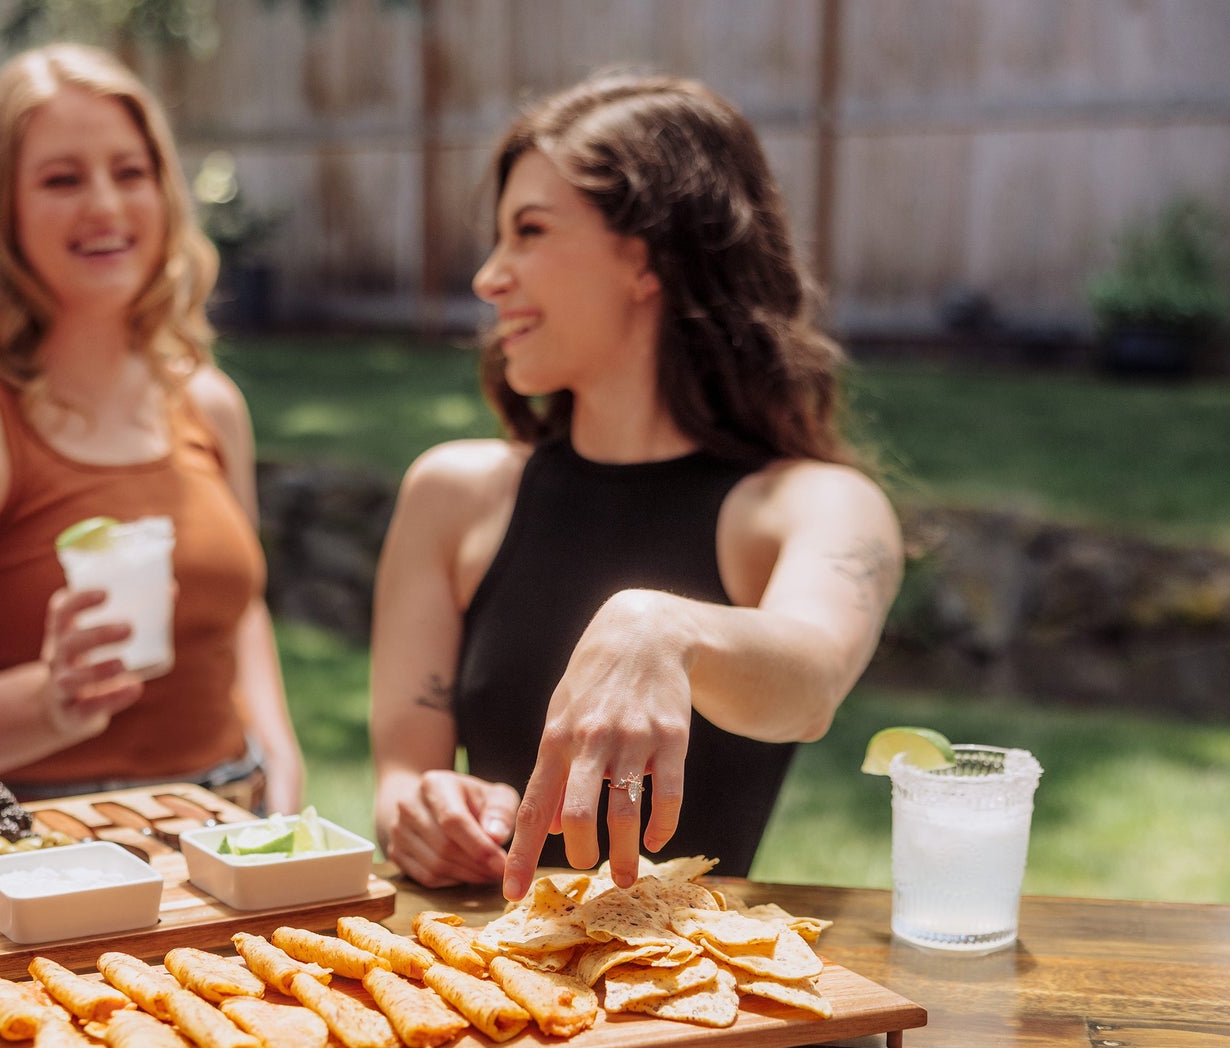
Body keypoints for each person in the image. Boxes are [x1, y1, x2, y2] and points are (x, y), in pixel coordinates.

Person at [370, 71, 900, 900]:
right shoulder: (451, 495)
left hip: (695, 1003)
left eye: (530, 231)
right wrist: (422, 811)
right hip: (485, 993)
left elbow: (811, 683)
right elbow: (402, 772)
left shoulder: (815, 505)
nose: (489, 277)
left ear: (649, 258)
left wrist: (664, 626)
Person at [0, 44, 302, 815]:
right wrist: (46, 700)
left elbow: (238, 610)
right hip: (26, 868)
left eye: (130, 172)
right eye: (61, 179)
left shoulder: (208, 403)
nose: (106, 206)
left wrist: (275, 748)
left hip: (226, 852)